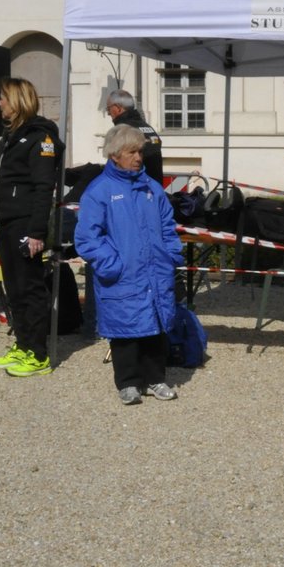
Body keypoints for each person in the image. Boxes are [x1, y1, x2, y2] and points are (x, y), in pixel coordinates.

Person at [74, 124, 183, 404]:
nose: (138, 157)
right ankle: (128, 382)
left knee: (155, 328)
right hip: (123, 274)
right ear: (114, 155)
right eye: (132, 151)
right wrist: (112, 264)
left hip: (155, 272)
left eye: (140, 151)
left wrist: (171, 256)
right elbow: (87, 238)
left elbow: (168, 226)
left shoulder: (152, 188)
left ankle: (156, 378)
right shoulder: (99, 191)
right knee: (125, 332)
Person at [0, 77, 63, 377]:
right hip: (7, 222)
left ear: (17, 100)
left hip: (25, 224)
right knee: (14, 289)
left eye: (3, 98)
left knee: (30, 289)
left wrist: (36, 233)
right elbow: (0, 184)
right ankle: (22, 345)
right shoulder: (10, 136)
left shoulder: (40, 136)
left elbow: (44, 187)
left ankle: (38, 354)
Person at [105, 89, 164, 184]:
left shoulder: (123, 130)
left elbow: (115, 167)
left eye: (108, 109)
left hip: (134, 188)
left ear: (117, 108)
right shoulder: (147, 127)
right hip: (154, 187)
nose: (108, 113)